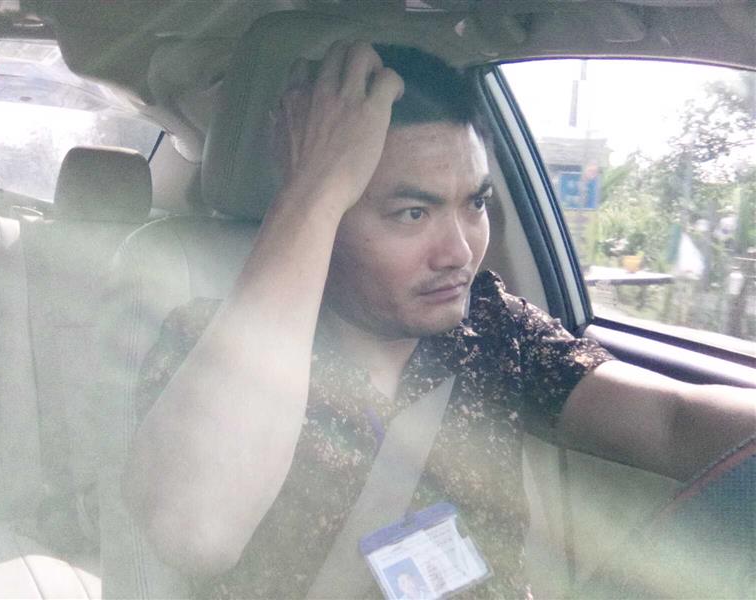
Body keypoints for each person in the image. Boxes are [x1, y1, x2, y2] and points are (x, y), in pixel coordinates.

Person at [123, 41, 755, 598]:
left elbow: (670, 422)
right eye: (412, 213)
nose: (459, 252)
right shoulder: (210, 345)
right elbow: (195, 534)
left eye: (474, 203)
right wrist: (311, 189)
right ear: (325, 208)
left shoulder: (490, 326)